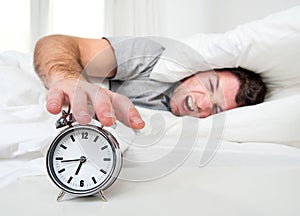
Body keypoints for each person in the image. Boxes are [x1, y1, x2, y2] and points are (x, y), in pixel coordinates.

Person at [34, 35, 266, 130]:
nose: (202, 103)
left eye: (215, 108)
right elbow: (54, 43)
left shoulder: (185, 127)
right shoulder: (151, 58)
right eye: (210, 87)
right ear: (200, 70)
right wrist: (68, 79)